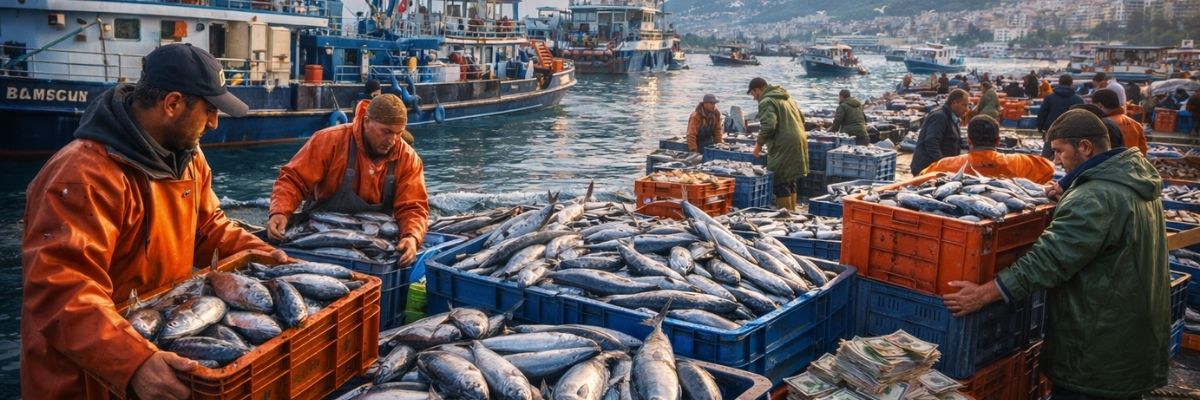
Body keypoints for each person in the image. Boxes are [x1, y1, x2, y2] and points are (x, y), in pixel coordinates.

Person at [21, 43, 288, 399]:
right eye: (209, 110)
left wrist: (264, 256)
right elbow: (62, 289)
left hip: (158, 343)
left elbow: (207, 227)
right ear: (173, 104)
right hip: (84, 377)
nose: (214, 123)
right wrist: (132, 361)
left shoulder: (189, 158)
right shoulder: (81, 175)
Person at [943, 109, 1169, 400]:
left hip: (1097, 347)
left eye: (1061, 151)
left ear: (1085, 147)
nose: (1058, 161)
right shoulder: (1133, 182)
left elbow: (1048, 260)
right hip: (1132, 341)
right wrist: (1071, 191)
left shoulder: (1095, 197)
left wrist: (984, 294)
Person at [268, 94, 429, 267]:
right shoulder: (329, 141)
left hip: (373, 239)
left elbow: (413, 206)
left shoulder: (407, 158)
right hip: (319, 232)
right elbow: (294, 179)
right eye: (386, 131)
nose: (392, 140)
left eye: (398, 133)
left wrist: (411, 236)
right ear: (367, 121)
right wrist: (279, 212)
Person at [920, 115, 1055, 183]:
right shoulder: (1020, 161)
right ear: (997, 141)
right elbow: (1050, 168)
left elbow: (921, 179)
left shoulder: (945, 164)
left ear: (969, 141)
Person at [747, 77, 808, 210]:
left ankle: (785, 216)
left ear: (758, 89)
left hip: (784, 142)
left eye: (753, 93)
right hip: (799, 139)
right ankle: (793, 213)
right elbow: (802, 118)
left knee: (780, 180)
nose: (754, 98)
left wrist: (758, 145)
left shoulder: (766, 101)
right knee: (790, 178)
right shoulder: (787, 97)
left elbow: (769, 126)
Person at [911, 89, 970, 175]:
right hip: (927, 168)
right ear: (954, 103)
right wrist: (943, 164)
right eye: (964, 105)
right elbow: (931, 142)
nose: (966, 109)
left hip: (938, 167)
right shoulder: (940, 117)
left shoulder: (952, 117)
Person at [1037, 74, 1084, 158]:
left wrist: (1040, 128)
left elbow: (1042, 114)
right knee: (1069, 156)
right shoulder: (1078, 99)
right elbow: (1082, 116)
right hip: (1071, 132)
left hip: (1052, 130)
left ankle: (1045, 169)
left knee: (1047, 157)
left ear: (1059, 83)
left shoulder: (1050, 98)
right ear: (1071, 83)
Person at [1092, 88, 1148, 155]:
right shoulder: (1136, 124)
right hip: (1133, 163)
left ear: (1100, 105)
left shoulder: (1102, 125)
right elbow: (1143, 150)